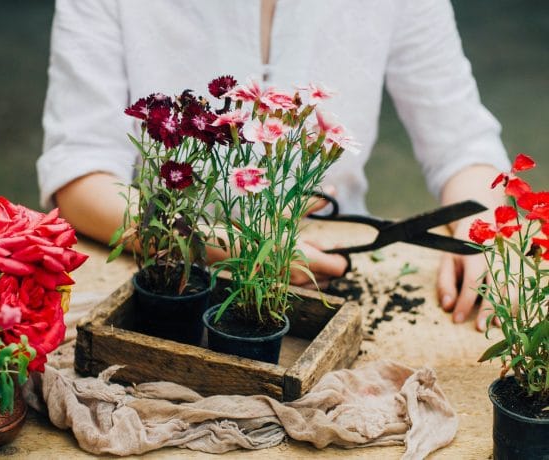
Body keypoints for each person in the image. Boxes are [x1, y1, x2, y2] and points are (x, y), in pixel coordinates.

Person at [38, 0, 510, 331]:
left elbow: (463, 144)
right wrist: (245, 249)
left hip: (332, 268)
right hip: (172, 275)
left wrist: (480, 227)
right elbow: (81, 176)